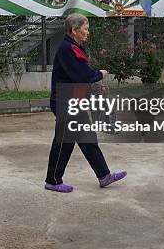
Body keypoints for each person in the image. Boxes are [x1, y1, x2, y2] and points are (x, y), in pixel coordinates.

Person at [45, 14, 127, 193]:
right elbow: (83, 74)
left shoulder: (72, 47)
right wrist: (99, 74)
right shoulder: (69, 49)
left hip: (73, 100)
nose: (87, 32)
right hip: (65, 102)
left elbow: (75, 78)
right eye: (85, 29)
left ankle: (104, 176)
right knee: (64, 142)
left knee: (88, 140)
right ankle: (52, 180)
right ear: (74, 30)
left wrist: (95, 89)